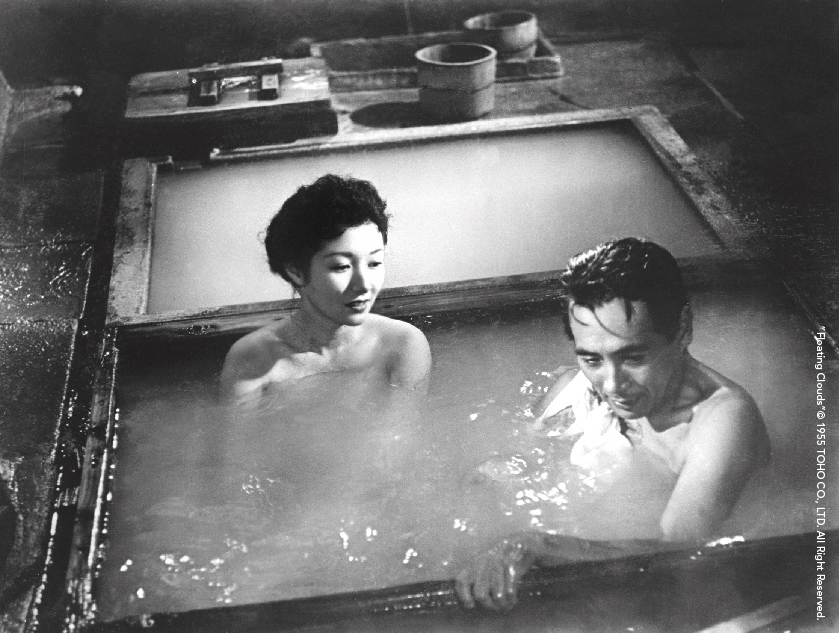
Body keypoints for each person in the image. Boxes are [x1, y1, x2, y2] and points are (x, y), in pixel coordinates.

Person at [456, 237, 770, 610]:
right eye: (592, 359)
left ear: (683, 328)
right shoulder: (577, 388)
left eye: (633, 358)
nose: (612, 386)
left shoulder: (721, 419)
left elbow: (679, 556)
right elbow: (520, 454)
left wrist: (539, 545)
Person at [221, 174, 431, 407]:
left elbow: (402, 429)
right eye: (341, 266)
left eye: (374, 263)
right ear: (296, 272)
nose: (364, 284)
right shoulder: (253, 358)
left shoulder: (403, 344)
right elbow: (240, 432)